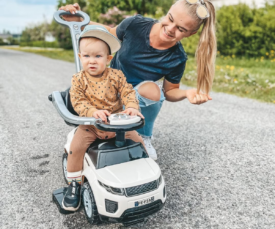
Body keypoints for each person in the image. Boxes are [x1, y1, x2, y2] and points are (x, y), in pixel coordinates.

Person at [60, 0, 216, 160]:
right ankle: (90, 129)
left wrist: (187, 93)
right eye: (170, 19)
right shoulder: (135, 24)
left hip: (134, 101)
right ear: (169, 10)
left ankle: (143, 136)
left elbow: (169, 91)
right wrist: (80, 21)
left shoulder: (177, 58)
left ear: (190, 34)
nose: (170, 29)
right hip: (107, 90)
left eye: (180, 29)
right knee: (73, 101)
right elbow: (108, 32)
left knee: (154, 90)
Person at [62, 25, 145, 211]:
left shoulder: (116, 76)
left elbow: (127, 92)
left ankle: (142, 172)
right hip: (91, 125)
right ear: (80, 57)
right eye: (87, 56)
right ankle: (74, 183)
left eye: (98, 56)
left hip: (117, 125)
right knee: (75, 149)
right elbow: (78, 102)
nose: (92, 61)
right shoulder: (78, 80)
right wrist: (92, 112)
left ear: (108, 59)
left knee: (138, 141)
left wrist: (131, 106)